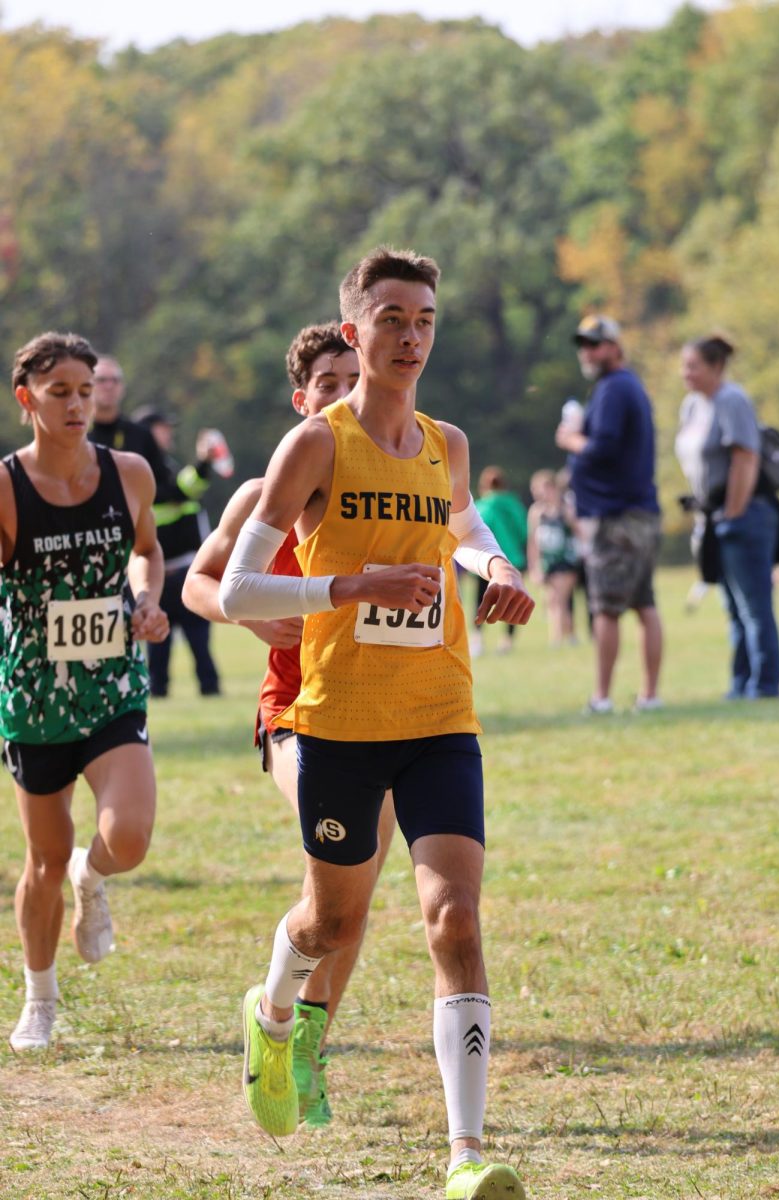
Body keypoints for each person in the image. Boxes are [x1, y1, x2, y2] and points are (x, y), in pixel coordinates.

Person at [218, 248, 533, 1200]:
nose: (411, 335)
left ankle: (467, 1152)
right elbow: (235, 590)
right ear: (354, 333)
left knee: (457, 918)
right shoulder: (316, 444)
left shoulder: (448, 442)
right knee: (332, 919)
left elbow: (465, 526)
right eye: (392, 318)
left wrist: (499, 570)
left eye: (425, 319)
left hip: (440, 717)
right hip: (340, 725)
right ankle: (273, 1018)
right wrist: (350, 586)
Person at [183, 320, 396, 1127]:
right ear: (301, 398)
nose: (348, 395)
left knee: (358, 886)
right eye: (331, 384)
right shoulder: (266, 489)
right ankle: (277, 1018)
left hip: (381, 705)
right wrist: (246, 619)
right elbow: (202, 584)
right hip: (294, 712)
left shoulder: (391, 470)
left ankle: (306, 1045)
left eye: (356, 379)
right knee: (346, 863)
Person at [0, 332, 168, 1052]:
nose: (79, 403)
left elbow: (148, 552)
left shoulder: (128, 473)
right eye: (60, 390)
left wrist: (147, 599)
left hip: (110, 684)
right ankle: (39, 999)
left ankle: (91, 879)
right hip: (34, 696)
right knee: (41, 856)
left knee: (126, 837)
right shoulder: (5, 487)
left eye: (86, 387)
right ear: (26, 398)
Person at [555, 314, 663, 714]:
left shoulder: (615, 388)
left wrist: (570, 439)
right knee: (644, 603)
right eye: (583, 344)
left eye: (595, 343)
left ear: (615, 347)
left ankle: (601, 698)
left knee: (605, 607)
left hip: (616, 516)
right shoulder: (621, 386)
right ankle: (650, 695)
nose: (587, 351)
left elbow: (604, 448)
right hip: (638, 512)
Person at [675, 333, 779, 698]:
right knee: (733, 607)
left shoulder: (731, 400)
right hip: (713, 517)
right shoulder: (691, 405)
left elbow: (745, 458)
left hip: (746, 515)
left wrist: (733, 515)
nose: (685, 373)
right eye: (684, 365)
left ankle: (764, 685)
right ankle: (741, 683)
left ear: (716, 366)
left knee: (754, 606)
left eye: (693, 366)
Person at [131, 406, 221, 698]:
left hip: (184, 569)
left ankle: (208, 690)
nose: (168, 433)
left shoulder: (163, 465)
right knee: (160, 643)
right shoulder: (140, 468)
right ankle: (161, 692)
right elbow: (177, 492)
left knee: (198, 639)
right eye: (162, 427)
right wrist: (203, 462)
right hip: (161, 572)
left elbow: (184, 490)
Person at [88, 356, 172, 497]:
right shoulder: (75, 434)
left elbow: (163, 485)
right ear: (87, 386)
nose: (109, 386)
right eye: (101, 380)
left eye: (115, 380)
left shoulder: (141, 435)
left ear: (123, 388)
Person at [471, 466, 529, 656]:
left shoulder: (482, 506)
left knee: (480, 599)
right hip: (512, 560)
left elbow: (474, 533)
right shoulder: (514, 505)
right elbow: (523, 532)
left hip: (487, 562)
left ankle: (478, 639)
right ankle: (507, 642)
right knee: (512, 601)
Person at [527, 469, 579, 646]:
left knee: (557, 598)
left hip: (566, 559)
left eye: (540, 489)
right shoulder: (536, 512)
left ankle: (556, 639)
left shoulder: (567, 509)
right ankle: (571, 636)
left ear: (551, 488)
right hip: (548, 562)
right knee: (554, 600)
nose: (537, 493)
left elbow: (579, 532)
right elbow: (533, 542)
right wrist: (534, 567)